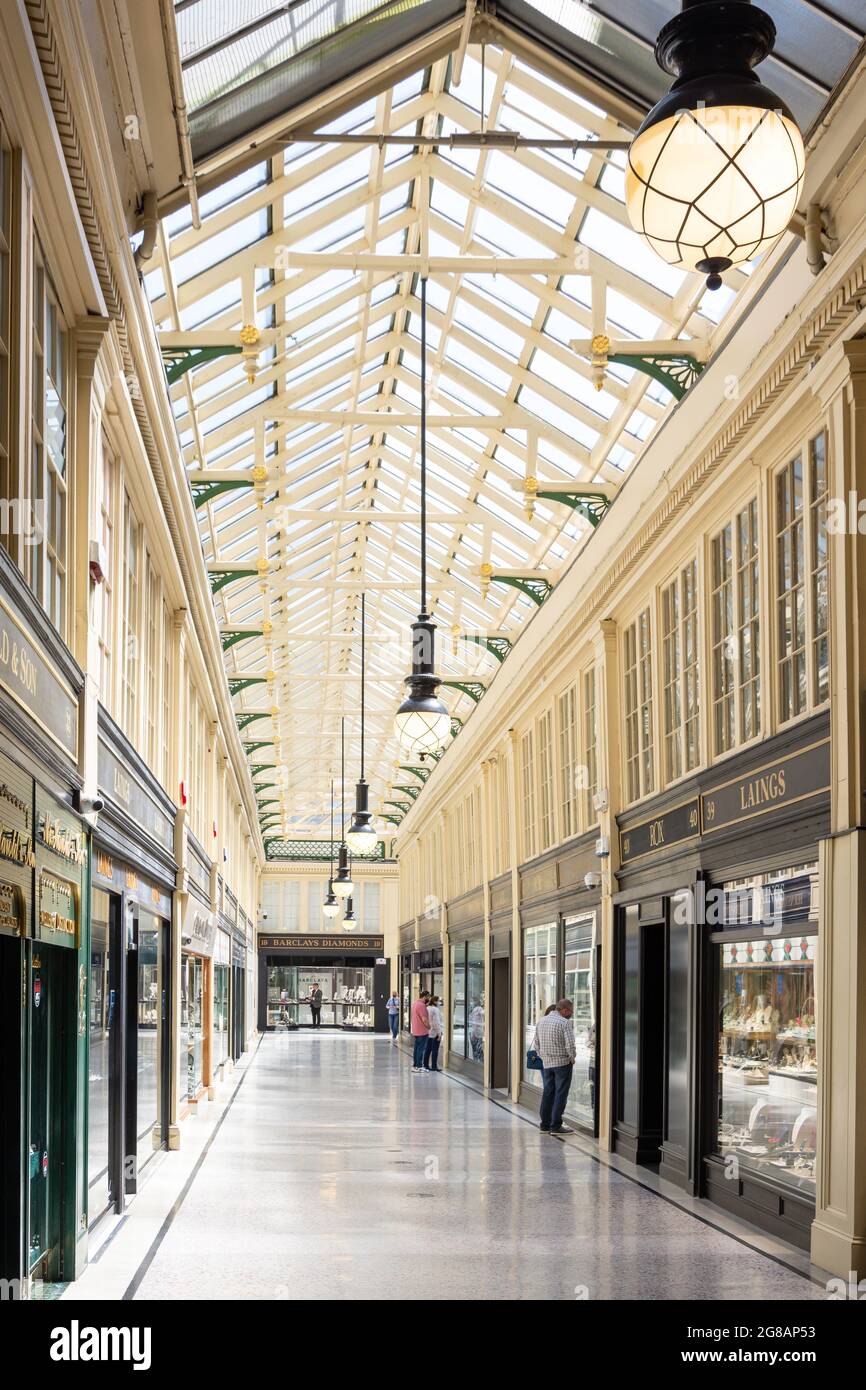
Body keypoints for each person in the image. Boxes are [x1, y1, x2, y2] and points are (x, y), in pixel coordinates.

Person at [532, 998, 576, 1135]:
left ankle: (545, 1125)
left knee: (548, 1093)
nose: (571, 1014)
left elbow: (536, 1044)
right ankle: (556, 1125)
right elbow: (570, 1044)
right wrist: (572, 1058)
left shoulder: (541, 1021)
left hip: (547, 1064)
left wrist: (543, 1057)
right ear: (564, 1010)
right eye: (570, 1011)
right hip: (562, 1064)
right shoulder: (565, 1023)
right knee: (560, 1094)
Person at [410, 990, 431, 1072]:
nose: (429, 999)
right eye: (428, 997)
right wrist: (429, 1027)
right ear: (425, 996)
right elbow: (424, 1019)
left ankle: (415, 1065)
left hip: (415, 1030)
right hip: (422, 1030)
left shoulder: (415, 1004)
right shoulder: (422, 1006)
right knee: (421, 1049)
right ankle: (419, 1066)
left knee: (416, 1048)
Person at [424, 995, 443, 1072]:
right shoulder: (435, 1010)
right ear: (435, 1001)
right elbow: (436, 1022)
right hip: (435, 1033)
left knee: (427, 1050)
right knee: (435, 1050)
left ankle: (425, 1064)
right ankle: (434, 1066)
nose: (439, 1003)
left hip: (428, 1032)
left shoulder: (427, 1008)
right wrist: (439, 1033)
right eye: (438, 1001)